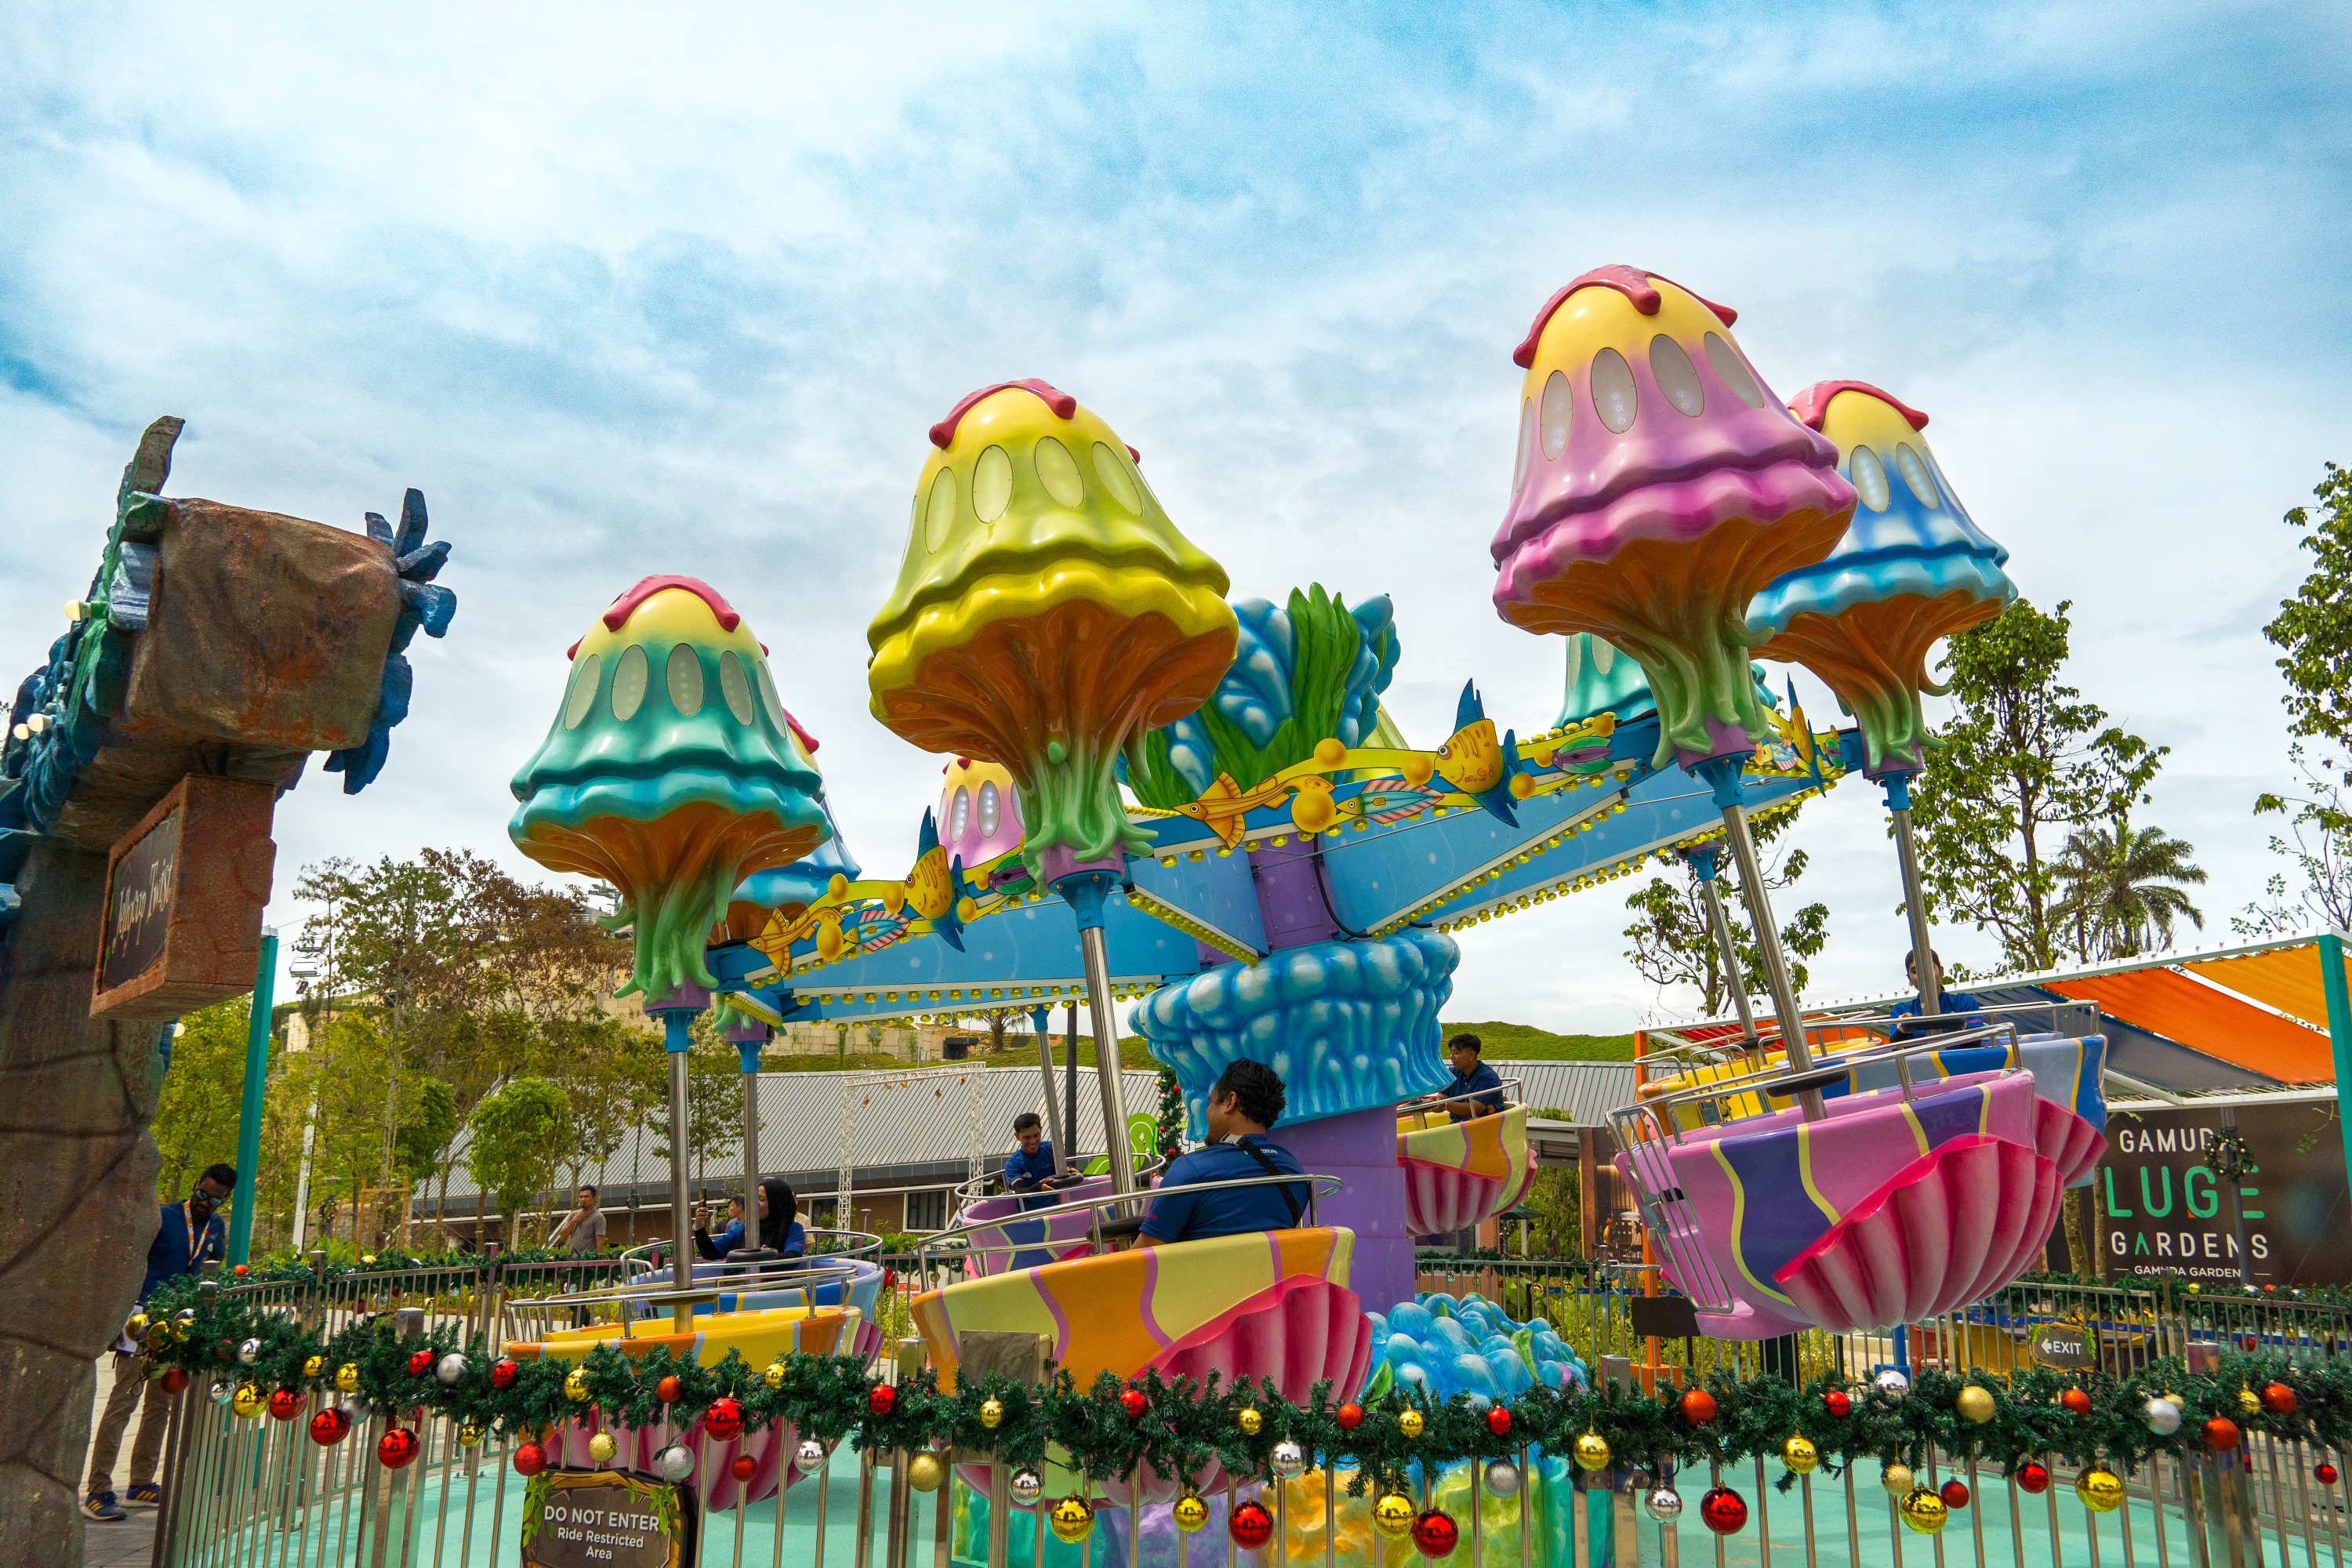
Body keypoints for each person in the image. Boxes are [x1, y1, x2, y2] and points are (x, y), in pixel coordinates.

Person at [84, 1164, 235, 1521]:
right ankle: (99, 1488)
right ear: (195, 1185)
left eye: (215, 1199)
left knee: (160, 1406)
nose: (205, 1203)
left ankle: (140, 1481)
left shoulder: (216, 1227)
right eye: (202, 1194)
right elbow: (127, 1263)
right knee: (123, 1402)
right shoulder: (162, 1217)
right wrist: (115, 1319)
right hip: (141, 1320)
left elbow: (209, 1272)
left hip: (180, 1326)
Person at [1140, 1061, 1308, 1247]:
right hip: (1273, 1275)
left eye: (1211, 1102)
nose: (1206, 1111)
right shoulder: (1295, 1172)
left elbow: (1142, 1260)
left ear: (1230, 1101)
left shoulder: (1191, 1171)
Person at [1889, 949, 1986, 1027]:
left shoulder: (1964, 1002)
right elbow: (1896, 1048)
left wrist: (1956, 1025)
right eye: (1915, 971)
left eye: (1929, 968)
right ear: (1909, 978)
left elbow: (1975, 1043)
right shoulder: (1901, 1011)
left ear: (1941, 972)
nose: (1923, 975)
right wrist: (1903, 1029)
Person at [1439, 1033, 1505, 1119]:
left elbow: (1476, 1108)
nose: (1452, 1056)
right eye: (1451, 1052)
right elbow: (1441, 1098)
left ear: (1471, 1055)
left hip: (1484, 1127)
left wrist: (1444, 1105)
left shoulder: (1488, 1077)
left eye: (1456, 1053)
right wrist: (1434, 1103)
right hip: (1457, 1125)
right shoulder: (1452, 1073)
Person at [550, 1185, 607, 1254]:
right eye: (581, 1197)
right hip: (573, 1258)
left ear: (594, 1199)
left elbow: (600, 1241)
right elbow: (562, 1237)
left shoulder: (598, 1217)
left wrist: (600, 1262)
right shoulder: (573, 1215)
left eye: (586, 1196)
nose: (583, 1199)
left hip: (589, 1259)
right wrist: (574, 1220)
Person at [692, 1196, 746, 1261]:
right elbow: (711, 1251)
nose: (730, 1209)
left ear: (740, 1207)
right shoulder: (740, 1229)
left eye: (762, 1199)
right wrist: (699, 1224)